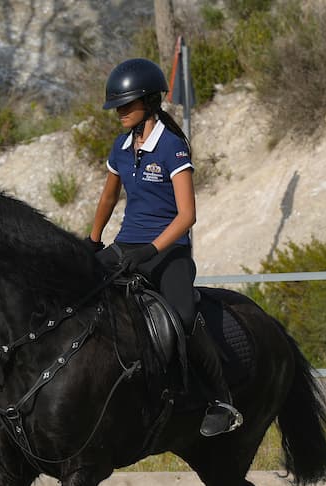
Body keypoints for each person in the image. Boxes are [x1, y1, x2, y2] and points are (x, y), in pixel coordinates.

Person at [87, 57, 241, 437]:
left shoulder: (171, 147)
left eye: (126, 105)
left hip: (168, 251)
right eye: (116, 106)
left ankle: (221, 399)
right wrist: (92, 240)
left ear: (149, 103)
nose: (119, 112)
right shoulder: (121, 147)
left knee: (184, 316)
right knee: (78, 293)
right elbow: (108, 200)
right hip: (125, 245)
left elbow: (187, 215)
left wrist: (151, 250)